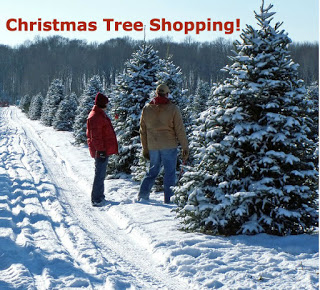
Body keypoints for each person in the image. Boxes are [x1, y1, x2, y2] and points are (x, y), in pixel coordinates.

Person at [138, 84, 189, 203]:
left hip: (153, 146)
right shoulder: (173, 109)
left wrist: (145, 148)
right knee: (170, 173)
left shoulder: (147, 109)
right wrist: (185, 147)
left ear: (156, 94)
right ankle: (169, 199)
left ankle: (143, 195)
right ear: (167, 94)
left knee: (152, 171)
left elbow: (142, 131)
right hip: (169, 145)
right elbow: (179, 130)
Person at [87, 92, 118, 206]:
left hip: (103, 150)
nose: (107, 106)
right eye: (106, 104)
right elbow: (96, 136)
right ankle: (97, 199)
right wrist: (100, 150)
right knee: (99, 174)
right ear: (102, 104)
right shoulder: (96, 116)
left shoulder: (99, 114)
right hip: (101, 151)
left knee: (100, 173)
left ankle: (99, 196)